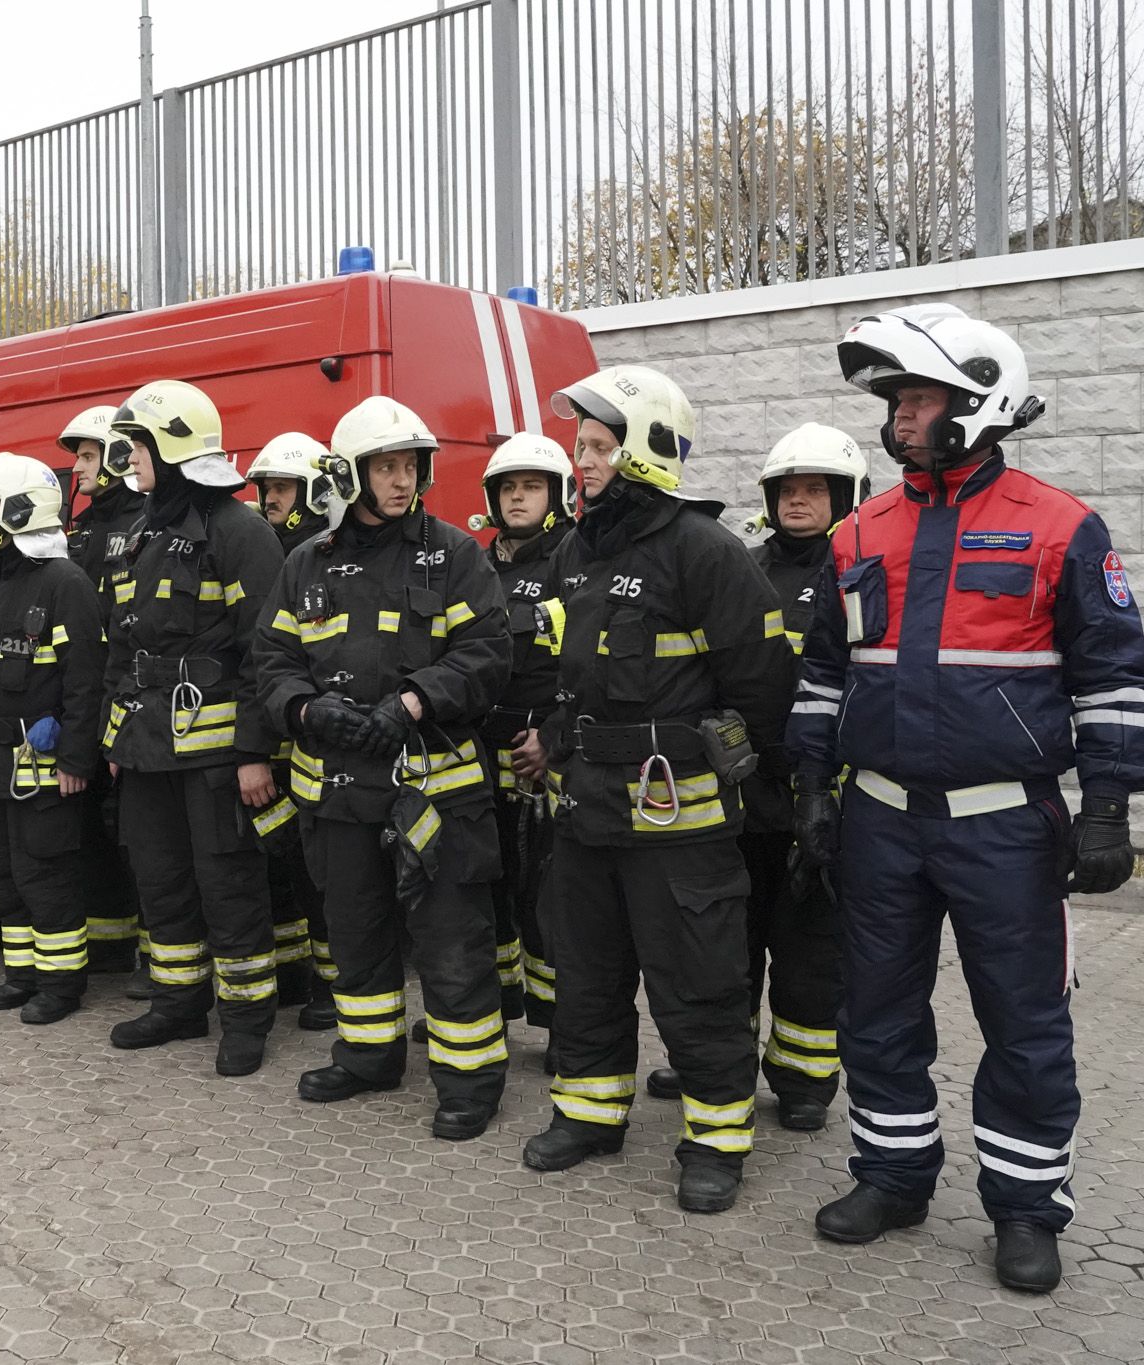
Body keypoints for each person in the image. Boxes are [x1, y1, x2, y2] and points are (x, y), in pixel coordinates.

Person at [794, 303, 1144, 1292]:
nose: (898, 414)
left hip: (1004, 823)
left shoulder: (1060, 526)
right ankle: (892, 1175)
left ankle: (1025, 1208)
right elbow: (825, 673)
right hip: (877, 819)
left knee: (1023, 1022)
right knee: (873, 1010)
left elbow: (1109, 678)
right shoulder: (858, 528)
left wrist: (1108, 806)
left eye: (916, 397)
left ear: (976, 402)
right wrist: (810, 789)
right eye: (897, 399)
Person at [517, 366, 793, 1215]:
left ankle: (715, 1139)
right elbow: (563, 676)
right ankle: (591, 1113)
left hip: (680, 820)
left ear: (644, 451)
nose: (582, 460)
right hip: (588, 811)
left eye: (598, 445)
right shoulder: (574, 551)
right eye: (581, 444)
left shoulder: (705, 552)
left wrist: (745, 784)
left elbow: (764, 691)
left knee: (699, 981)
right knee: (589, 973)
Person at [252, 396, 512, 1140]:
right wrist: (303, 710)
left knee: (451, 938)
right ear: (354, 474)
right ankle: (368, 1055)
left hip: (434, 789)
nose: (402, 481)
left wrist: (414, 702)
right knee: (355, 930)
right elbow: (270, 660)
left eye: (410, 466)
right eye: (386, 467)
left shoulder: (455, 553)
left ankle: (469, 1079)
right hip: (336, 792)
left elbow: (488, 654)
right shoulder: (307, 561)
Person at [101, 379, 285, 1076]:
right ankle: (178, 1003)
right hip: (147, 752)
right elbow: (122, 644)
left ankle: (245, 1019)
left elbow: (264, 652)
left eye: (139, 446)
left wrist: (253, 752)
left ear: (173, 449)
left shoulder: (239, 531)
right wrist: (117, 737)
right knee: (161, 881)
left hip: (217, 762)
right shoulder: (142, 531)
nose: (131, 460)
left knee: (228, 885)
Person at [734, 423, 871, 1131]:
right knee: (727, 946)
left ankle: (804, 1080)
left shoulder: (860, 575)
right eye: (788, 488)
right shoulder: (743, 569)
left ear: (845, 497)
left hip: (823, 800)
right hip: (741, 795)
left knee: (810, 954)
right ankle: (723, 1061)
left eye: (815, 488)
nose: (799, 499)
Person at [0, 452, 108, 1024]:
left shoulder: (63, 581)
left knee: (45, 877)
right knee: (3, 875)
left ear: (22, 510)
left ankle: (61, 984)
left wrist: (75, 757)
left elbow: (84, 678)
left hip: (43, 769)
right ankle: (21, 975)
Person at [242, 431, 349, 1030]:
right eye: (267, 489)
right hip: (278, 744)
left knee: (323, 875)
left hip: (319, 748)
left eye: (281, 488)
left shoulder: (325, 557)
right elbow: (262, 663)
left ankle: (333, 986)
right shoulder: (271, 556)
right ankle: (291, 974)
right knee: (278, 864)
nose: (270, 499)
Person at [478, 433, 579, 1048]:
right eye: (509, 488)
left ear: (557, 495)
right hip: (482, 755)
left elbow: (589, 667)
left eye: (532, 487)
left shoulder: (574, 559)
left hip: (549, 759)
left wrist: (552, 741)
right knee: (486, 887)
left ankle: (561, 1025)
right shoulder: (478, 565)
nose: (519, 498)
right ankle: (491, 1002)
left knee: (552, 898)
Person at [60, 404, 147, 983]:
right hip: (81, 700)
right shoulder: (83, 527)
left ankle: (150, 952)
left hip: (124, 701)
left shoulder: (141, 522)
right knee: (91, 833)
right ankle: (109, 946)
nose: (79, 469)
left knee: (134, 838)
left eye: (88, 456)